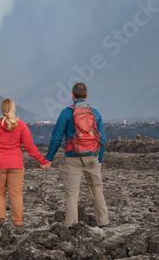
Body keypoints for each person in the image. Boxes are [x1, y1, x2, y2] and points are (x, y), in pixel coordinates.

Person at [44, 82, 112, 228]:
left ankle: (71, 226)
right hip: (92, 158)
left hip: (73, 159)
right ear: (86, 96)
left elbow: (56, 137)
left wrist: (48, 158)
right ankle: (104, 223)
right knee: (97, 191)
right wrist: (99, 159)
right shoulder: (95, 113)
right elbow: (102, 140)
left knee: (72, 195)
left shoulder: (66, 113)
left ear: (72, 95)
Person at [0, 98, 51, 229]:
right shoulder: (21, 126)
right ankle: (18, 224)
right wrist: (42, 161)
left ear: (2, 110)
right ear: (14, 109)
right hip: (16, 165)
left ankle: (0, 221)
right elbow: (29, 146)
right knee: (16, 194)